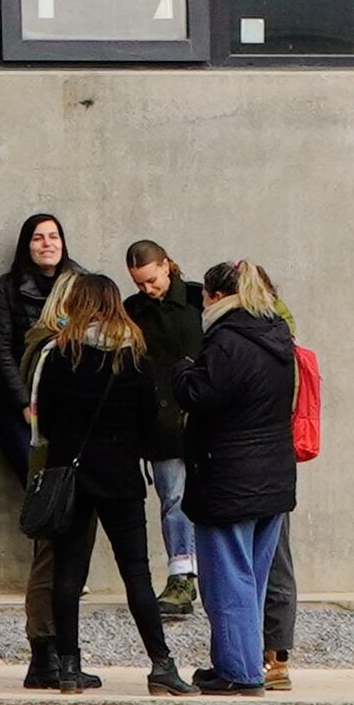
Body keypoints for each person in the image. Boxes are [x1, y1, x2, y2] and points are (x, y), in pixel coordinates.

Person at [22, 267, 172, 693]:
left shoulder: (58, 355)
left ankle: (68, 667)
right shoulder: (132, 356)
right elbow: (150, 423)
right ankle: (161, 665)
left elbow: (43, 421)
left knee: (68, 574)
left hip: (72, 474)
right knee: (136, 575)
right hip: (122, 477)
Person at [168, 258, 298, 695]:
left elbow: (200, 394)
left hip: (228, 477)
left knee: (227, 582)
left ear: (216, 296)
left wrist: (182, 370)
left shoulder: (226, 340)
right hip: (273, 476)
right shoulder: (276, 334)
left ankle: (240, 672)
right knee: (253, 580)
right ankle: (235, 663)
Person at [124, 238, 205, 618]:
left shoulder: (197, 299)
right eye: (140, 283)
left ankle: (205, 574)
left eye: (152, 280)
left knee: (209, 500)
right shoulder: (133, 310)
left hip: (204, 417)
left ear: (167, 265)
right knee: (173, 499)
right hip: (158, 422)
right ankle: (181, 575)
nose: (148, 289)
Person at [0, 216, 77, 486]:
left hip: (66, 403)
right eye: (38, 237)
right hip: (15, 403)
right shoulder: (5, 289)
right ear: (27, 246)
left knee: (68, 485)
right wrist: (25, 403)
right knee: (39, 483)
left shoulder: (80, 285)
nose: (48, 244)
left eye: (54, 236)